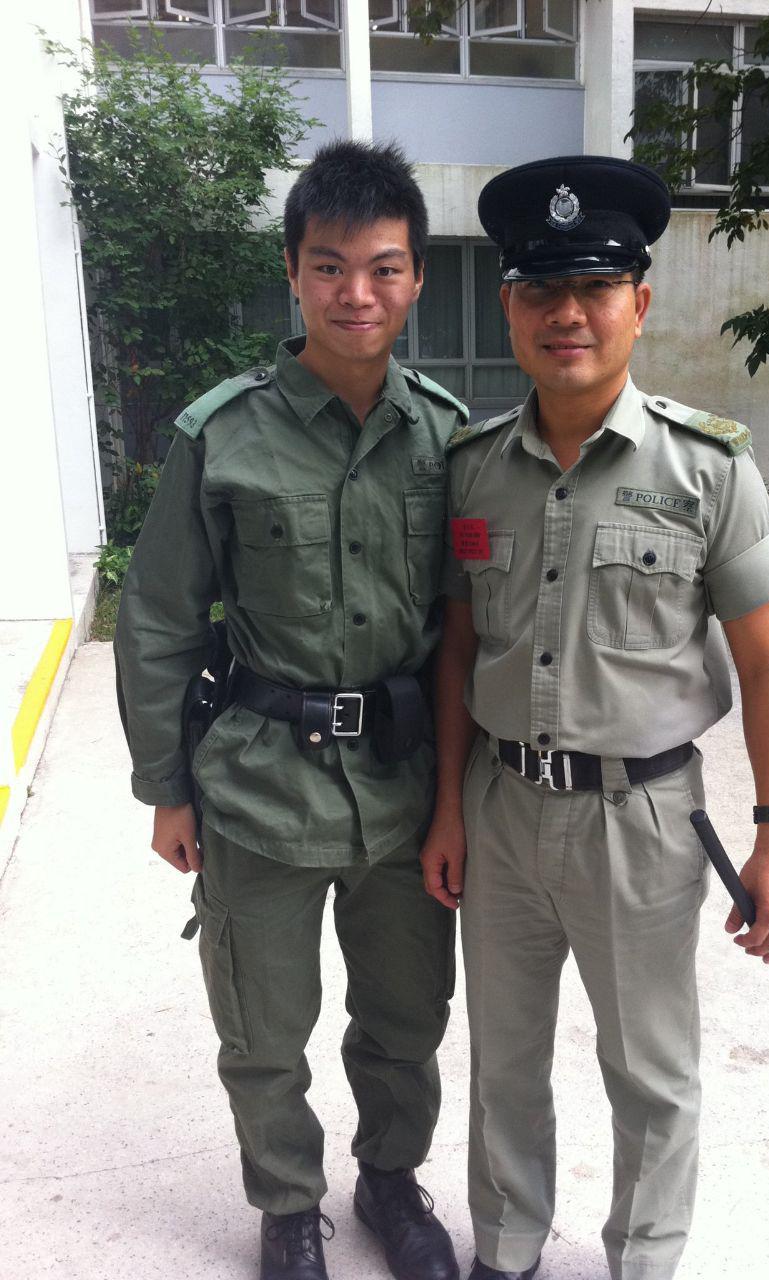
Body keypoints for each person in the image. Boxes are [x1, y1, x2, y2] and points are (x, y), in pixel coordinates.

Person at [419, 155, 769, 1280]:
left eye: (594, 287)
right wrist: (447, 808)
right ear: (509, 309)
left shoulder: (706, 470)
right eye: (542, 289)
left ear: (638, 302)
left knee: (649, 1069)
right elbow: (459, 649)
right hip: (499, 809)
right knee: (503, 1060)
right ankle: (506, 1246)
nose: (568, 314)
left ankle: (642, 1257)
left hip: (640, 818)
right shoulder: (474, 470)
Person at [115, 140, 466, 1280]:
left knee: (406, 1016)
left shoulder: (449, 437)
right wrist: (166, 786)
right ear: (293, 273)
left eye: (383, 267)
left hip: (403, 790)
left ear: (415, 277)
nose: (356, 293)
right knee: (262, 1030)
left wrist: (464, 797)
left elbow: (472, 627)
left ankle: (390, 1181)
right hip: (258, 786)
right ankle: (285, 1204)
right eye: (329, 266)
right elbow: (158, 617)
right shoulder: (220, 435)